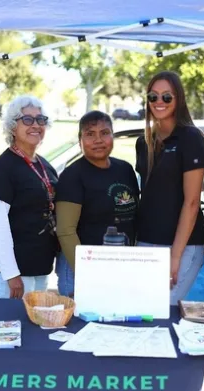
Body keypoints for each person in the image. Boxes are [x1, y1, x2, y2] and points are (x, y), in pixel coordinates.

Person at [135, 71, 204, 304]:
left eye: (167, 97)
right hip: (146, 242)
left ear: (179, 99)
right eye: (153, 96)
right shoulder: (143, 142)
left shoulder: (191, 138)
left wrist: (175, 257)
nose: (159, 102)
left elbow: (192, 202)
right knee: (142, 312)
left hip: (182, 246)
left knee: (160, 310)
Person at [0, 95, 58, 298]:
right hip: (10, 272)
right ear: (13, 126)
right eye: (27, 119)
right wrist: (11, 274)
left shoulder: (43, 164)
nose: (36, 125)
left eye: (41, 120)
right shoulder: (2, 169)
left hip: (38, 265)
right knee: (9, 328)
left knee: (34, 326)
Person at [55, 111, 139, 296]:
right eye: (90, 134)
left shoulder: (125, 169)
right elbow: (65, 231)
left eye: (105, 132)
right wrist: (87, 274)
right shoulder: (73, 176)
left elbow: (132, 218)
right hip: (81, 269)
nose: (98, 140)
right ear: (80, 140)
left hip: (120, 266)